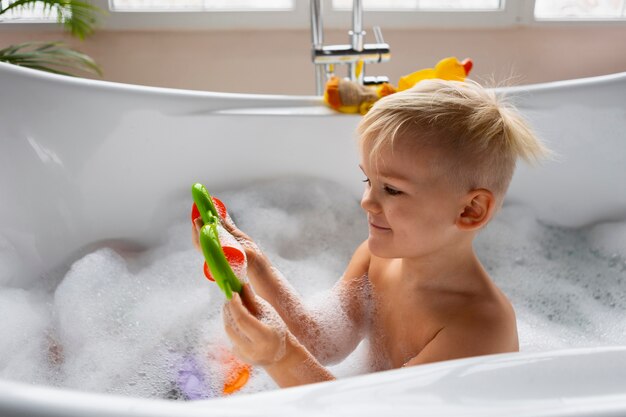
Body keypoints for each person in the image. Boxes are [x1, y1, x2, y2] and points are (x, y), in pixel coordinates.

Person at [193, 79, 551, 388]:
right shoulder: (377, 257)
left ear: (470, 210)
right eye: (368, 180)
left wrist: (279, 357)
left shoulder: (478, 327)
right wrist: (254, 264)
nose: (366, 201)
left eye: (391, 190)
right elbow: (321, 343)